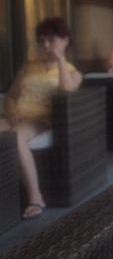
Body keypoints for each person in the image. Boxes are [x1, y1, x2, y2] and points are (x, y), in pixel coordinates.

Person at [0, 17, 82, 220]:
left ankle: (35, 197)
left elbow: (67, 89)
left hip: (39, 120)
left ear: (65, 40)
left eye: (50, 40)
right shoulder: (29, 66)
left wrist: (60, 59)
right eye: (42, 41)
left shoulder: (73, 72)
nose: (45, 45)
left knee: (15, 137)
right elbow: (10, 96)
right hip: (15, 117)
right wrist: (11, 112)